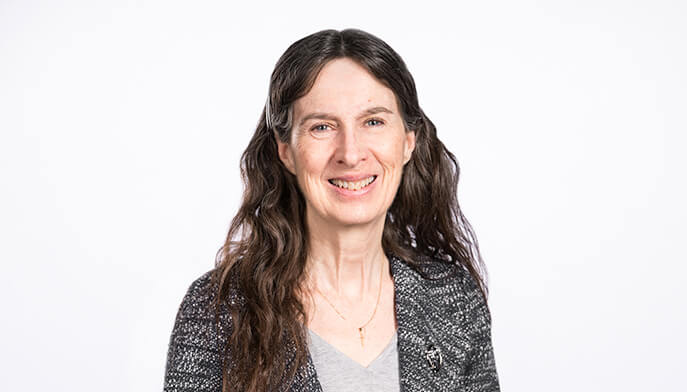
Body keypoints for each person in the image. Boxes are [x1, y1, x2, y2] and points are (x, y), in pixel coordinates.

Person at [163, 28, 500, 392]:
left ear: (407, 142)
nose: (351, 153)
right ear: (286, 150)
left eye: (373, 121)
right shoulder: (219, 310)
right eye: (322, 126)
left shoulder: (454, 299)